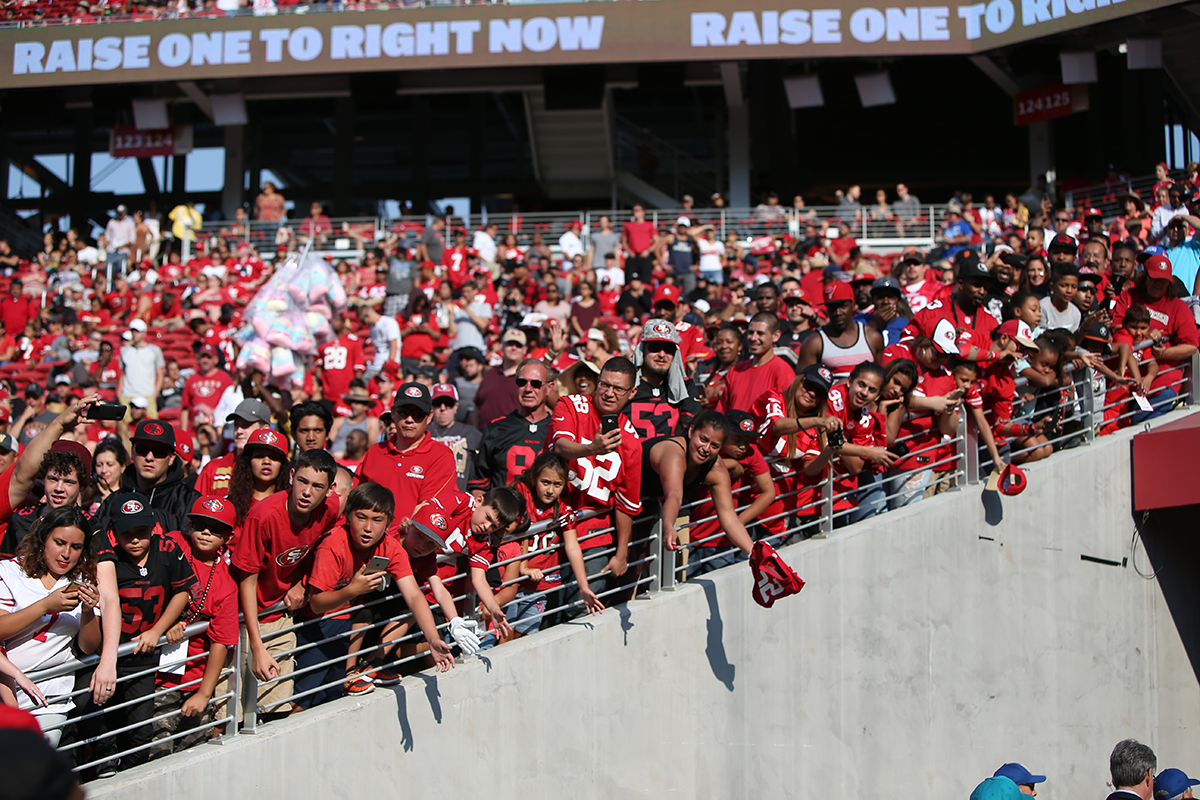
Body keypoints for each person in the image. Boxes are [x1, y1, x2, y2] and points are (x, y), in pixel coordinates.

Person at [89, 492, 196, 776]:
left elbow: (182, 592)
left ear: (153, 528)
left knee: (140, 728)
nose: (134, 539)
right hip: (113, 655)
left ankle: (132, 776)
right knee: (103, 722)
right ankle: (107, 771)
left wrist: (158, 630)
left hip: (144, 657)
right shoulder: (109, 561)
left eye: (141, 531)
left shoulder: (168, 550)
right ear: (114, 534)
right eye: (127, 533)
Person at [231, 449, 340, 717]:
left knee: (274, 710)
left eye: (317, 486)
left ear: (328, 491)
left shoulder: (331, 509)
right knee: (229, 714)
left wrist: (304, 582)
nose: (307, 492)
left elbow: (326, 545)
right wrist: (257, 646)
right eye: (302, 481)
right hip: (242, 616)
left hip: (280, 613)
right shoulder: (263, 515)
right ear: (291, 476)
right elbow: (247, 580)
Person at [0, 505, 101, 745]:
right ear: (43, 539)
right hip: (6, 690)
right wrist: (45, 605)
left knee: (32, 768)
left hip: (50, 696)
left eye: (75, 547)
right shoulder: (10, 571)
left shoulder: (82, 581)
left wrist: (88, 611)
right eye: (59, 542)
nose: (66, 553)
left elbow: (89, 646)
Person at [549, 357, 643, 611]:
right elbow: (559, 447)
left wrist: (621, 553)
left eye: (618, 388)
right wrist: (592, 448)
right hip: (551, 525)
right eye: (605, 385)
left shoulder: (633, 443)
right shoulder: (569, 405)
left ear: (632, 392)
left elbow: (626, 504)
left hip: (593, 533)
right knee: (542, 609)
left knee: (580, 609)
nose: (609, 393)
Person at [156, 496, 239, 753]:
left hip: (193, 679)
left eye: (215, 529)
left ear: (227, 537)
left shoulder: (226, 584)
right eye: (200, 524)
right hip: (155, 678)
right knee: (154, 752)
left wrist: (204, 693)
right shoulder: (172, 543)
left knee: (193, 753)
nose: (205, 532)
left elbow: (221, 643)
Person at [643, 410, 757, 568]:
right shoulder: (674, 453)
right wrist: (669, 527)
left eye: (715, 445)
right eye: (703, 439)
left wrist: (755, 554)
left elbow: (730, 518)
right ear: (691, 431)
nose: (706, 448)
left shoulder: (716, 467)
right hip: (617, 504)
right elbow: (674, 494)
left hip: (648, 509)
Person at [357, 382, 458, 533]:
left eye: (418, 414)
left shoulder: (440, 455)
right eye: (403, 412)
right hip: (368, 542)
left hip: (410, 547)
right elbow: (356, 500)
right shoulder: (375, 452)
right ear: (393, 413)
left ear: (429, 417)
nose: (410, 419)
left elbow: (428, 513)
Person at [686, 409, 776, 574]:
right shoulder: (706, 450)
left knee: (723, 586)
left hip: (722, 540)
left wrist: (738, 523)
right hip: (691, 535)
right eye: (737, 439)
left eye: (748, 441)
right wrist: (731, 465)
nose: (743, 446)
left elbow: (769, 492)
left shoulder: (751, 453)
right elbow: (694, 467)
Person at [92, 419, 200, 537]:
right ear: (132, 452)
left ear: (171, 458)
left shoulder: (189, 500)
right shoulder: (114, 500)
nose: (149, 457)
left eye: (159, 451)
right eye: (142, 449)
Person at [471, 359, 552, 498]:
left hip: (545, 517)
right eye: (522, 383)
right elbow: (478, 485)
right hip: (502, 515)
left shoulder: (559, 430)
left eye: (536, 384)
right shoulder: (496, 428)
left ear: (549, 388)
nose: (528, 389)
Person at [0, 438, 90, 559]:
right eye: (53, 479)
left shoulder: (91, 526)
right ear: (43, 479)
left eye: (68, 482)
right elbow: (4, 569)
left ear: (82, 487)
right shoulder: (21, 520)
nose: (59, 488)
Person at [625, 319, 702, 439]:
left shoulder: (686, 388)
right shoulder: (625, 385)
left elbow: (691, 432)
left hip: (671, 454)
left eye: (669, 349)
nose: (662, 354)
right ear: (641, 350)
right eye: (654, 347)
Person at [798, 281, 883, 377]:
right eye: (832, 308)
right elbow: (802, 384)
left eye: (843, 306)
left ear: (854, 305)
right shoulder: (814, 343)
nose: (837, 312)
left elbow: (881, 378)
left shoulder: (872, 338)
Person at [718, 312, 795, 413]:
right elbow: (722, 412)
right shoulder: (736, 370)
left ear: (775, 336)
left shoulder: (782, 371)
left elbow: (787, 413)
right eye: (750, 332)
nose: (753, 338)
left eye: (760, 333)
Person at [194, 399, 273, 497]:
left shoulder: (275, 468)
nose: (239, 431)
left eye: (245, 425)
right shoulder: (212, 468)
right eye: (236, 425)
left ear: (265, 429)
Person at [228, 428, 290, 529]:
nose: (266, 461)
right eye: (259, 456)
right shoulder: (232, 504)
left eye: (273, 457)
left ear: (283, 465)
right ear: (248, 461)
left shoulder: (291, 505)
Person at [428, 383, 481, 492]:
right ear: (431, 407)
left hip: (461, 499)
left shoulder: (471, 433)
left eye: (448, 404)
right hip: (429, 496)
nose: (443, 408)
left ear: (456, 407)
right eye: (437, 403)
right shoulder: (423, 433)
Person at [473, 329, 528, 430]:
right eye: (510, 344)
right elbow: (477, 406)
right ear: (502, 346)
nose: (513, 348)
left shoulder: (528, 377)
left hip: (515, 438)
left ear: (524, 350)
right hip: (485, 437)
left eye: (518, 345)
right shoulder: (490, 374)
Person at [178, 345, 233, 433]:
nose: (205, 360)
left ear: (216, 360)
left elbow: (231, 406)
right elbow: (185, 408)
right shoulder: (192, 380)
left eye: (209, 357)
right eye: (203, 357)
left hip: (217, 429)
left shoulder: (225, 378)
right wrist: (184, 432)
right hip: (194, 430)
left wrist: (212, 411)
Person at [118, 319, 164, 419]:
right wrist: (120, 394)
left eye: (137, 331)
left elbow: (160, 374)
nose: (135, 334)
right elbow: (122, 373)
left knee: (151, 426)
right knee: (126, 428)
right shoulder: (124, 351)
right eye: (133, 331)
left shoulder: (154, 350)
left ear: (144, 332)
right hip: (128, 394)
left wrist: (154, 395)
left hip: (147, 394)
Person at [329, 385, 381, 459]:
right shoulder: (338, 421)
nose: (353, 405)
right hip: (334, 458)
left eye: (357, 402)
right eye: (351, 402)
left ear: (366, 406)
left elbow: (371, 445)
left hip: (356, 459)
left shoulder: (371, 422)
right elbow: (329, 443)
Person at [358, 303, 401, 379]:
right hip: (376, 364)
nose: (364, 323)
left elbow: (394, 345)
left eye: (363, 320)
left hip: (387, 365)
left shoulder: (388, 322)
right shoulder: (372, 327)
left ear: (368, 315)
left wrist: (389, 365)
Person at [622, 205, 658, 284]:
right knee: (630, 280)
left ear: (643, 212)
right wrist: (629, 251)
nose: (635, 212)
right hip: (633, 256)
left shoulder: (649, 225)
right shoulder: (628, 225)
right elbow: (624, 241)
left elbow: (656, 240)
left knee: (645, 281)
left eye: (637, 210)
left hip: (645, 256)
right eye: (634, 210)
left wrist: (648, 251)